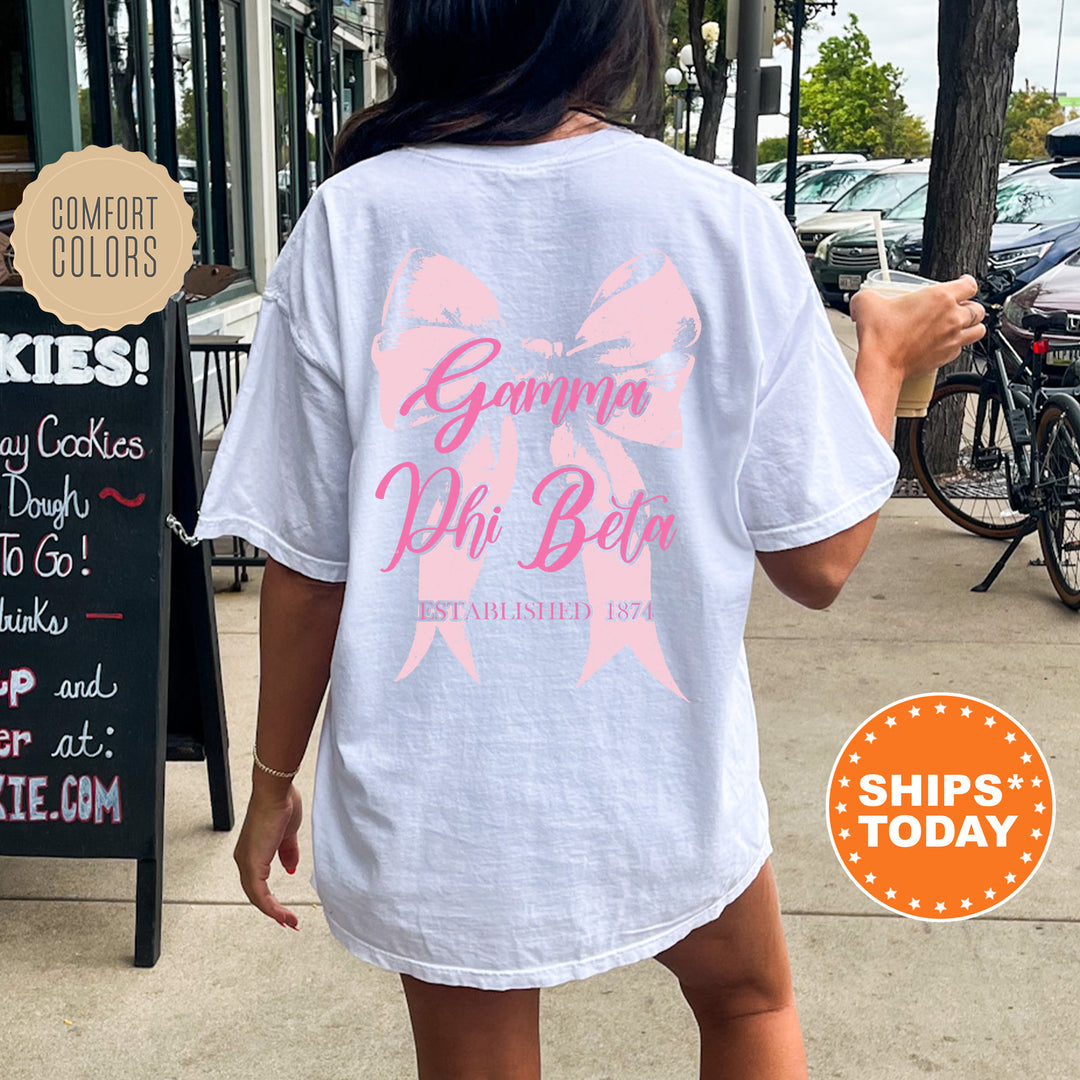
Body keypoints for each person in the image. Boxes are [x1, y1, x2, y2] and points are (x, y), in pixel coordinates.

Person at [194, 3, 986, 1077]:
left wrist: (273, 777)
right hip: (658, 765)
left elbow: (308, 568)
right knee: (749, 1005)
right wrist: (884, 362)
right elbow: (821, 561)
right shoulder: (720, 219)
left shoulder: (350, 221)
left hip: (442, 784)